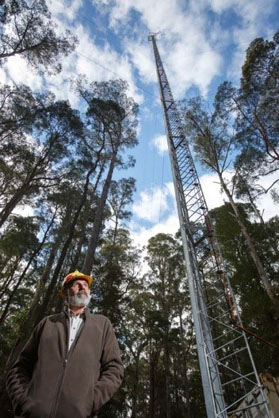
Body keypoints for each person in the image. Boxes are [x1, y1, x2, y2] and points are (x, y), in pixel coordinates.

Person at [6, 270, 124, 418]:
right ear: (66, 292)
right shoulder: (47, 323)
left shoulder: (102, 325)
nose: (83, 287)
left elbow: (115, 368)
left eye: (86, 285)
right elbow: (20, 367)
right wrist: (23, 401)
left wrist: (90, 401)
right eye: (77, 284)